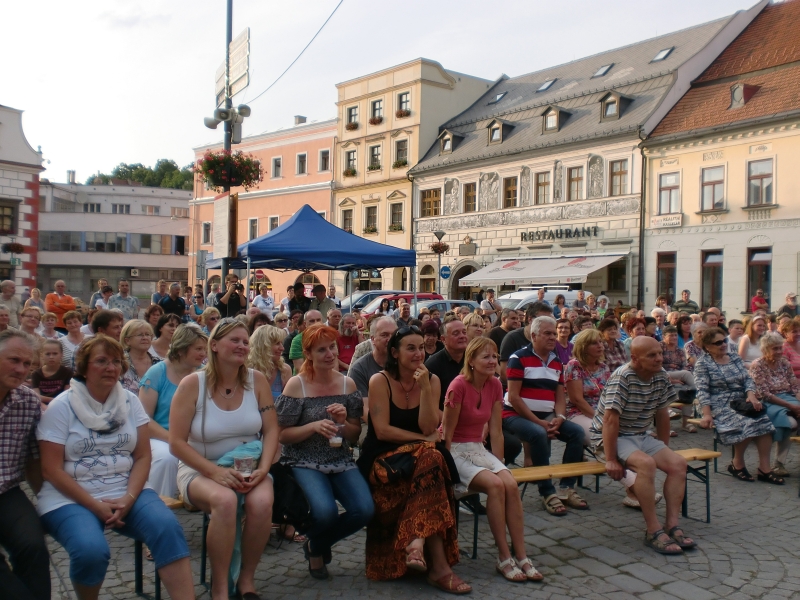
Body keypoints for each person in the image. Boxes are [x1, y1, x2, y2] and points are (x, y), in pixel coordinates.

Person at [37, 335, 195, 600]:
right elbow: (51, 470)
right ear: (84, 367)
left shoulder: (130, 402)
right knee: (90, 550)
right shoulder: (62, 406)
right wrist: (94, 505)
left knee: (167, 528)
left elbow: (143, 456)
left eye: (115, 361)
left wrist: (129, 497)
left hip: (125, 489)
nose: (111, 367)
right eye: (101, 361)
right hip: (71, 496)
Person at [169, 318, 278, 600]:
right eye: (235, 340)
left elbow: (271, 430)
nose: (242, 346)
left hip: (249, 466)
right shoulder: (192, 384)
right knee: (225, 501)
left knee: (262, 503)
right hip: (200, 469)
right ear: (214, 345)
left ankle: (246, 580)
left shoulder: (257, 380)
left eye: (245, 341)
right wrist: (215, 472)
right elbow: (176, 443)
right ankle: (220, 588)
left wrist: (264, 468)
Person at [357, 326, 470, 593]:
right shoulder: (380, 381)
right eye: (411, 348)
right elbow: (382, 431)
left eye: (421, 348)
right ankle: (438, 566)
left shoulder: (431, 380)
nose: (419, 354)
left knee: (430, 459)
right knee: (431, 455)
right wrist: (422, 440)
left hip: (419, 460)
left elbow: (429, 425)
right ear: (395, 353)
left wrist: (426, 389)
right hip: (383, 458)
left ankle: (418, 542)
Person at [274, 324, 371, 580]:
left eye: (332, 347)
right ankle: (318, 546)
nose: (330, 354)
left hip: (339, 458)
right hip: (303, 460)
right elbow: (281, 434)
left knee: (364, 510)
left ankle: (315, 545)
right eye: (321, 350)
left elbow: (353, 435)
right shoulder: (297, 385)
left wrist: (342, 423)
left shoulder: (347, 384)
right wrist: (313, 426)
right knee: (325, 512)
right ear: (308, 354)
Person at [442, 337, 543, 583]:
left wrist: (499, 465)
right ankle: (504, 556)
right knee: (496, 485)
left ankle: (522, 555)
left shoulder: (495, 384)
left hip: (478, 448)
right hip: (455, 451)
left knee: (509, 483)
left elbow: (496, 431)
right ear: (471, 361)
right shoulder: (458, 385)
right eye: (485, 356)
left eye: (494, 356)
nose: (492, 361)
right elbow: (447, 435)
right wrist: (446, 474)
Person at [591, 336, 695, 555]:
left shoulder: (660, 375)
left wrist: (663, 447)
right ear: (635, 359)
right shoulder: (623, 377)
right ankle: (653, 530)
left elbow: (662, 413)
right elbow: (610, 421)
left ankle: (672, 524)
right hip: (612, 437)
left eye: (660, 353)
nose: (659, 359)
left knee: (678, 464)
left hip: (641, 434)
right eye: (652, 355)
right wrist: (610, 459)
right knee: (646, 464)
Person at [503, 316, 587, 514]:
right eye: (547, 333)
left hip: (546, 415)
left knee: (576, 433)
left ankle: (566, 487)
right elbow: (514, 397)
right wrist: (538, 422)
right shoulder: (518, 358)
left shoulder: (556, 362)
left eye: (553, 333)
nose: (552, 338)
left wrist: (560, 417)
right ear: (534, 336)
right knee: (538, 433)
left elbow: (560, 396)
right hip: (515, 414)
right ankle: (547, 492)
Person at [0, 330, 51, 600]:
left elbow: (33, 460)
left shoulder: (28, 401)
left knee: (33, 546)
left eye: (27, 364)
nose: (21, 370)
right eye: (14, 360)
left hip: (6, 492)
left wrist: (47, 501)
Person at [695, 328, 779, 484]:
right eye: (718, 343)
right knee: (748, 422)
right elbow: (702, 391)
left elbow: (748, 379)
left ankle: (764, 469)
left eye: (724, 340)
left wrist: (751, 395)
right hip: (718, 403)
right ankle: (737, 464)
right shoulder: (703, 363)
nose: (723, 344)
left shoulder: (734, 357)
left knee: (764, 422)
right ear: (707, 346)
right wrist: (707, 414)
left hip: (741, 400)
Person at [140, 325, 207, 498]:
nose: (203, 354)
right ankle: (161, 503)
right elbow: (144, 419)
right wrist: (175, 441)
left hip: (196, 437)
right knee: (167, 458)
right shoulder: (156, 373)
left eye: (204, 349)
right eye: (198, 349)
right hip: (161, 437)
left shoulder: (204, 374)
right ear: (181, 349)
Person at [749, 332, 800, 478]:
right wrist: (792, 407)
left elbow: (795, 387)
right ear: (765, 349)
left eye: (780, 348)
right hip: (769, 402)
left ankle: (779, 463)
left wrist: (798, 403)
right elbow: (764, 394)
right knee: (790, 423)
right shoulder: (758, 365)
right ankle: (778, 463)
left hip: (788, 398)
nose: (779, 351)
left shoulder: (784, 363)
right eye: (775, 348)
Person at [564, 329, 610, 444]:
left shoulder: (603, 367)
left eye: (600, 342)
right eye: (594, 343)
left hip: (602, 411)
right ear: (583, 347)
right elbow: (577, 400)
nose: (600, 346)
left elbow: (609, 395)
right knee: (602, 437)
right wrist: (599, 418)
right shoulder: (575, 366)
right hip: (578, 412)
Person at [348, 316, 397, 423]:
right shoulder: (359, 369)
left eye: (394, 335)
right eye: (384, 335)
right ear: (373, 339)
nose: (390, 339)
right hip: (369, 424)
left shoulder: (404, 363)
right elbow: (365, 411)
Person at [498, 302, 554, 387]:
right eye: (543, 320)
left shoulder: (549, 340)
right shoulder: (512, 338)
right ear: (530, 319)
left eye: (550, 320)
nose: (548, 324)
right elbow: (504, 373)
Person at [661, 325, 697, 434]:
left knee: (688, 390)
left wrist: (678, 380)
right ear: (664, 337)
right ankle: (699, 393)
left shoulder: (679, 351)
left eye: (675, 335)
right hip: (663, 374)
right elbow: (657, 365)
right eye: (671, 335)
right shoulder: (659, 347)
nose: (674, 337)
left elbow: (685, 365)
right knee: (687, 374)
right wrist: (671, 379)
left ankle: (686, 423)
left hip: (679, 375)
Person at [248, 325, 293, 405]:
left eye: (281, 343)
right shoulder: (245, 369)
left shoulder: (284, 370)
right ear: (263, 346)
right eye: (277, 343)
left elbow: (288, 406)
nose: (282, 348)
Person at [120, 319, 161, 394]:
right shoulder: (119, 363)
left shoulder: (159, 364)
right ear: (127, 340)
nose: (145, 338)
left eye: (147, 334)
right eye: (140, 335)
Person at [31, 339, 72, 405]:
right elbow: (36, 396)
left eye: (55, 354)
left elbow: (67, 395)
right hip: (41, 405)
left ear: (61, 355)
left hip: (62, 405)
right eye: (48, 354)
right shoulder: (36, 374)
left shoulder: (68, 372)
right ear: (42, 355)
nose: (51, 357)